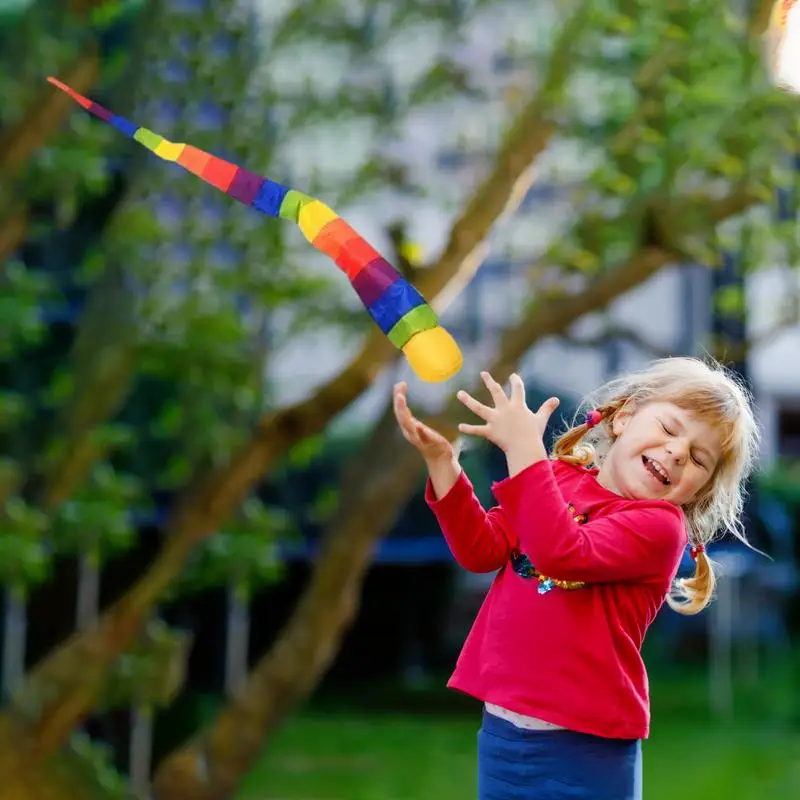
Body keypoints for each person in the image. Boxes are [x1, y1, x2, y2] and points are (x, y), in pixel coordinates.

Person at [392, 356, 759, 800]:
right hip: (504, 732)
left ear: (698, 490)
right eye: (669, 428)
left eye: (699, 458)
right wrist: (444, 467)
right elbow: (482, 549)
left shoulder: (659, 527)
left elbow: (562, 552)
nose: (678, 452)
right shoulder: (556, 481)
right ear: (624, 418)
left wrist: (524, 451)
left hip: (584, 751)